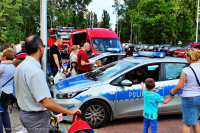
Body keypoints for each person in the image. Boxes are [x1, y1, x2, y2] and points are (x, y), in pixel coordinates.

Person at [14, 35, 81, 133]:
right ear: (40, 48)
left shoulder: (21, 66)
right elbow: (46, 102)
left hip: (24, 113)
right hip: (35, 118)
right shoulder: (35, 71)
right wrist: (69, 111)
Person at [170, 48, 200, 133]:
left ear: (190, 57)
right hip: (199, 97)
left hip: (189, 98)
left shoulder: (186, 70)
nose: (185, 57)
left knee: (187, 124)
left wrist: (172, 93)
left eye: (186, 56)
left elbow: (179, 86)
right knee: (195, 121)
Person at [0, 48, 16, 133]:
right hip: (9, 92)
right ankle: (8, 131)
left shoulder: (2, 66)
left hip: (1, 92)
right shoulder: (14, 66)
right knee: (5, 112)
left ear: (5, 57)